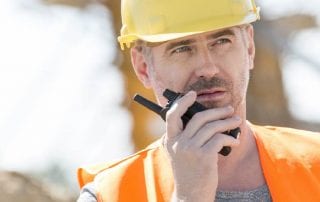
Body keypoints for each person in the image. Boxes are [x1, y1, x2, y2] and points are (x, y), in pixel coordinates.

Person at [77, 0, 320, 201]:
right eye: (181, 48)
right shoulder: (108, 195)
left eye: (221, 41)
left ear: (249, 48)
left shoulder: (315, 163)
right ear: (143, 68)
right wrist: (189, 196)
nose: (208, 68)